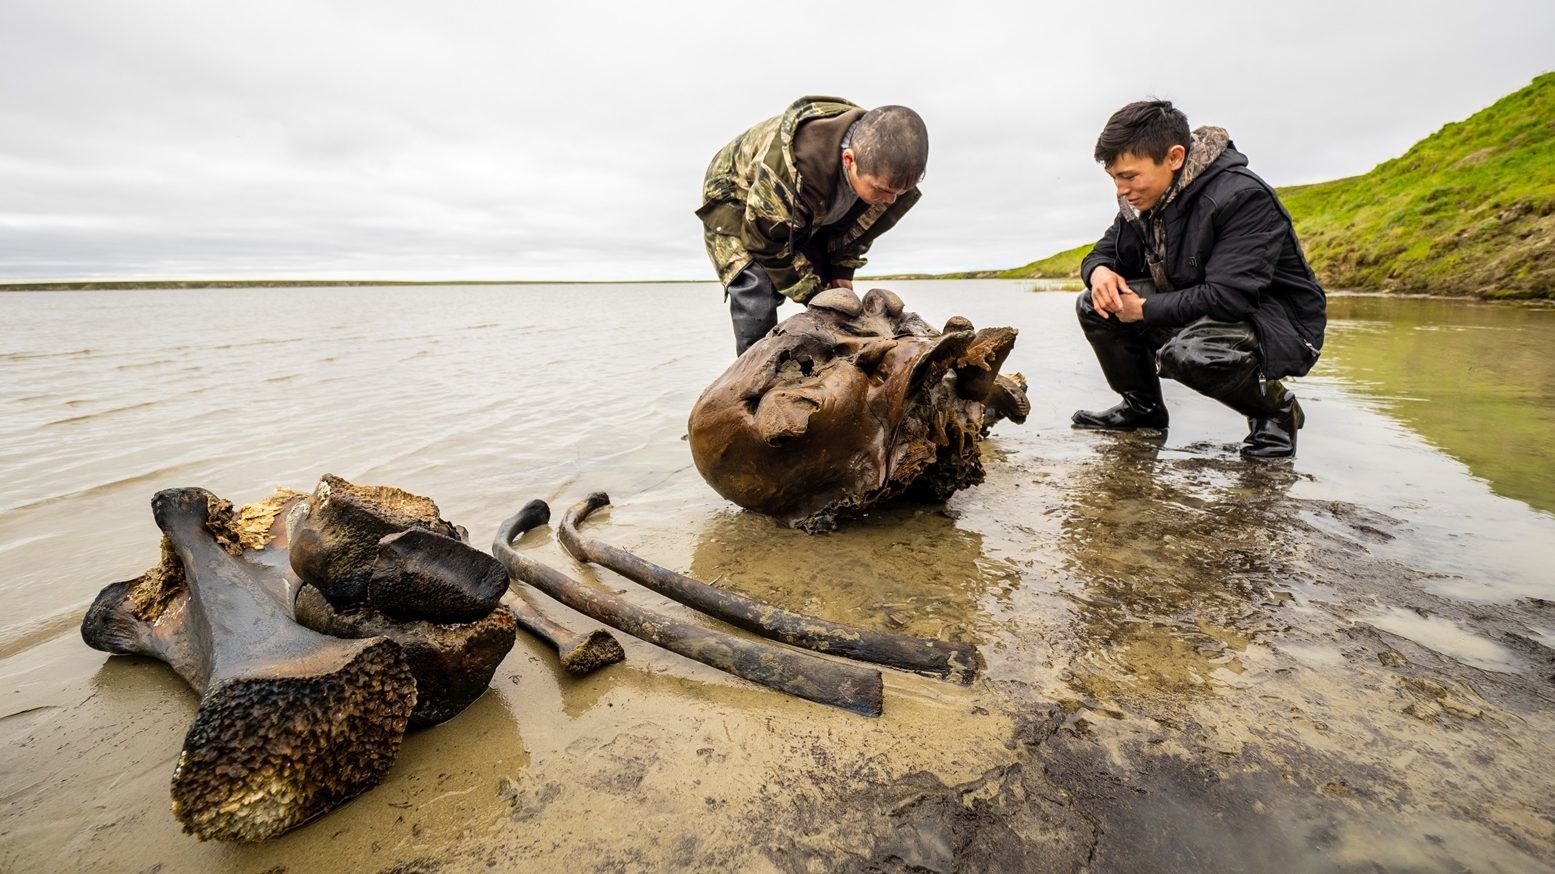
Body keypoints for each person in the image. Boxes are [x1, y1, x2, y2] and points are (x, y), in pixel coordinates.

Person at [1072, 99, 1327, 458]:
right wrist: (1099, 273)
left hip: (1274, 323)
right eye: (1114, 178)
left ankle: (1275, 412)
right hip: (1201, 305)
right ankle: (1142, 410)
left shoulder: (1242, 196)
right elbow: (1102, 253)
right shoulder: (1142, 201)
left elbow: (1229, 297)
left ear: (1174, 157)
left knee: (1192, 354)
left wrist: (1143, 309)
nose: (1120, 189)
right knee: (1094, 303)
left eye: (1129, 176)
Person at [697, 97, 927, 355]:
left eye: (900, 192)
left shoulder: (885, 177)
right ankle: (754, 375)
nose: (890, 200)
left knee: (834, 292)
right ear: (850, 160)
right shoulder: (792, 170)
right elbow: (763, 243)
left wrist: (840, 271)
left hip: (805, 211)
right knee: (758, 286)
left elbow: (856, 231)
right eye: (882, 190)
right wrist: (813, 293)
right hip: (735, 197)